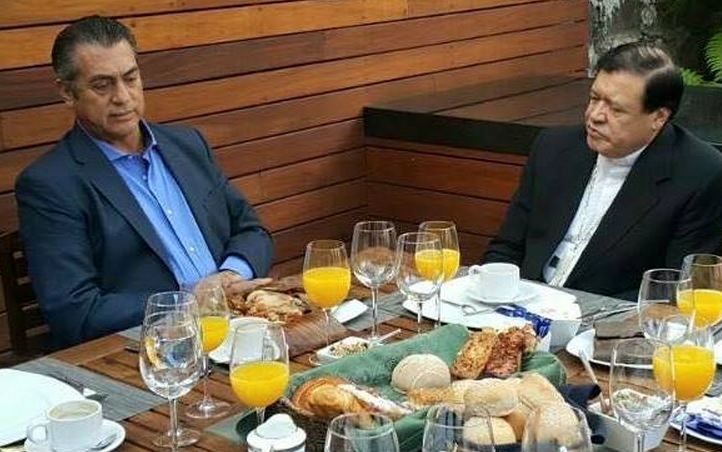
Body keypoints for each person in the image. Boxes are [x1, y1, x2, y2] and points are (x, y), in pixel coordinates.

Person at [15, 16, 274, 348]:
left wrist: (230, 277)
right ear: (67, 92)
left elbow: (252, 230)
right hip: (154, 349)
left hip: (241, 323)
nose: (123, 96)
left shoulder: (187, 145)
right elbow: (74, 313)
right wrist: (188, 302)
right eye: (102, 85)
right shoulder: (51, 184)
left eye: (130, 78)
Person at [484, 41, 722, 300]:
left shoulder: (700, 173)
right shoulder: (554, 147)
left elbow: (677, 290)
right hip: (522, 304)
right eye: (595, 98)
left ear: (658, 117)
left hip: (609, 317)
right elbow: (506, 247)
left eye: (615, 109)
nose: (595, 115)